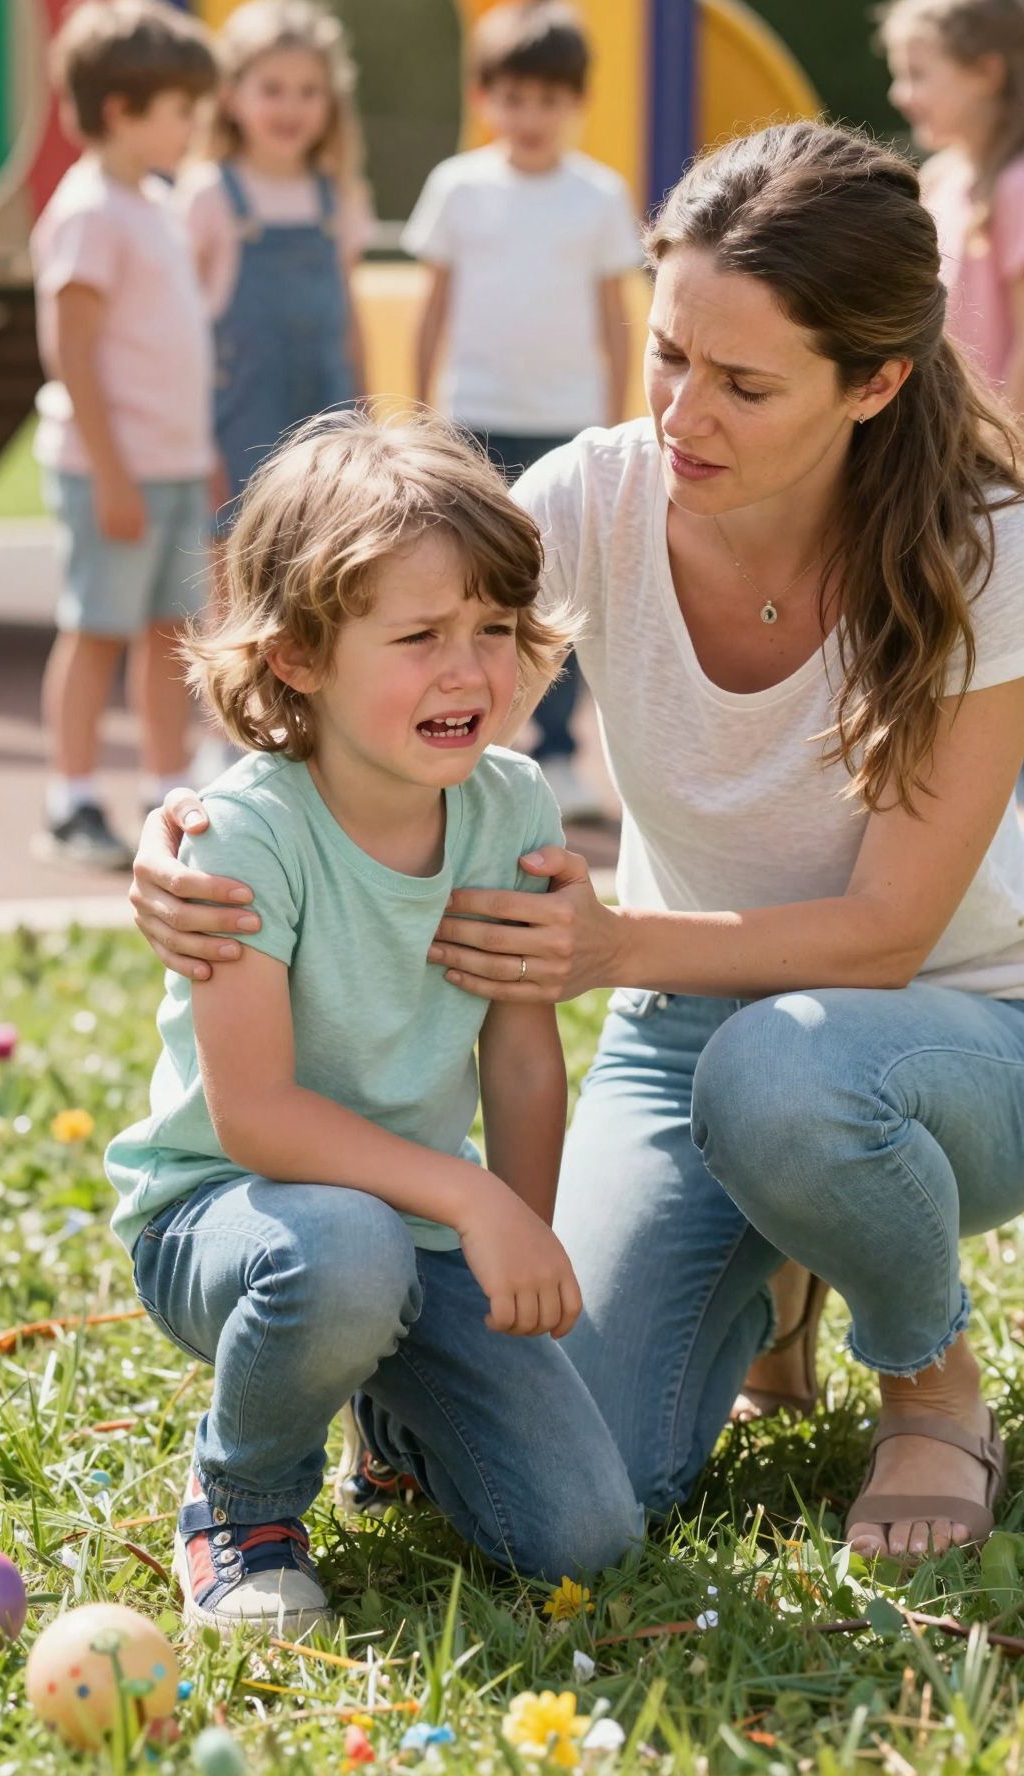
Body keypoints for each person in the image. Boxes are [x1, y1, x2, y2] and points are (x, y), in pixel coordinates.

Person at [131, 123, 1024, 1565]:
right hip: (684, 1036)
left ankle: (930, 1385)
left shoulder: (984, 543)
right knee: (596, 1485)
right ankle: (777, 1277)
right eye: (668, 356)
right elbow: (379, 664)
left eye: (744, 383)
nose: (684, 415)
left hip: (958, 1035)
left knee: (785, 1075)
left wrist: (616, 947)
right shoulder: (597, 492)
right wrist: (193, 825)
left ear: (876, 382)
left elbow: (892, 928)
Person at [107, 410, 642, 1635]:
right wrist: (473, 1201)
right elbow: (256, 1116)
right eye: (419, 636)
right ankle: (239, 1500)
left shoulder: (511, 804)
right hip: (230, 1219)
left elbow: (518, 1054)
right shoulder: (247, 836)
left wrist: (524, 1234)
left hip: (418, 1227)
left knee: (581, 1533)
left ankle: (387, 1409)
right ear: (298, 653)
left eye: (494, 630)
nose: (470, 670)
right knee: (348, 1253)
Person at [881, 0, 1024, 893]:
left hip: (1011, 451)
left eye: (922, 70)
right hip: (949, 446)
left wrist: (1013, 448)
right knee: (947, 618)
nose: (904, 92)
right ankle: (978, 805)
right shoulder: (945, 177)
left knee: (1014, 625)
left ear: (990, 72)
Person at [404, 0, 644, 822]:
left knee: (559, 588)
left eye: (548, 99)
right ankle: (476, 739)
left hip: (567, 423)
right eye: (513, 97)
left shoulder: (599, 196)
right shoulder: (459, 188)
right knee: (472, 586)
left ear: (577, 104)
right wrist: (420, 409)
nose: (529, 115)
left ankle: (560, 752)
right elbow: (431, 305)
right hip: (475, 418)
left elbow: (619, 321)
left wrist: (611, 423)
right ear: (484, 99)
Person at [31, 0, 218, 869]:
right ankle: (70, 798)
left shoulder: (158, 201)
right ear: (122, 110)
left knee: (171, 632)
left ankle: (162, 783)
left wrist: (200, 450)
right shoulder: (89, 211)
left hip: (172, 463)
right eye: (180, 112)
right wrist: (109, 472)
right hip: (115, 467)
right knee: (97, 628)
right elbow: (70, 350)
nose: (192, 128)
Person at [177, 0, 369, 519]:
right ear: (232, 96)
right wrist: (194, 441)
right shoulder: (209, 194)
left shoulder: (339, 197)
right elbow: (184, 328)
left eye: (309, 91)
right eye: (272, 90)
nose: (291, 108)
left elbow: (349, 321)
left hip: (329, 429)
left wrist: (367, 420)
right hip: (236, 427)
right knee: (236, 575)